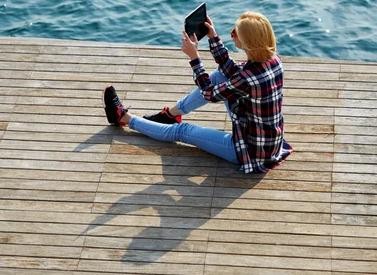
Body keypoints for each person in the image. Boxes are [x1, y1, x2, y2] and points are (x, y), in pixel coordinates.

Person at [102, 11, 292, 173]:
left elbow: (209, 93)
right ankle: (170, 115)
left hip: (249, 150)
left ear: (248, 41)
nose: (232, 35)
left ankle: (124, 118)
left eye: (236, 33)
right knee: (219, 75)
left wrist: (195, 59)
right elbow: (232, 72)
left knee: (183, 131)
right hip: (267, 139)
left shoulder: (247, 79)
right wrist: (213, 37)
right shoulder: (273, 60)